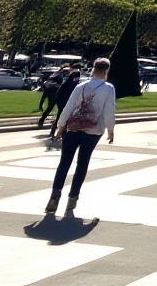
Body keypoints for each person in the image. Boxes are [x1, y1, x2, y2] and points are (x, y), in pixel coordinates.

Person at [44, 57, 116, 215]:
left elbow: (68, 107)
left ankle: (55, 195)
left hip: (73, 129)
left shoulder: (81, 86)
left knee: (64, 163)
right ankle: (72, 198)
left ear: (93, 69)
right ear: (106, 71)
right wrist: (110, 129)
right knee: (82, 164)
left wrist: (60, 126)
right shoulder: (109, 88)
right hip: (93, 131)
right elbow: (109, 111)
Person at [48, 68, 82, 141]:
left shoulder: (66, 83)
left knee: (59, 118)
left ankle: (54, 132)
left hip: (61, 103)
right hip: (67, 105)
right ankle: (62, 135)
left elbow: (58, 94)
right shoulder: (75, 85)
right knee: (66, 120)